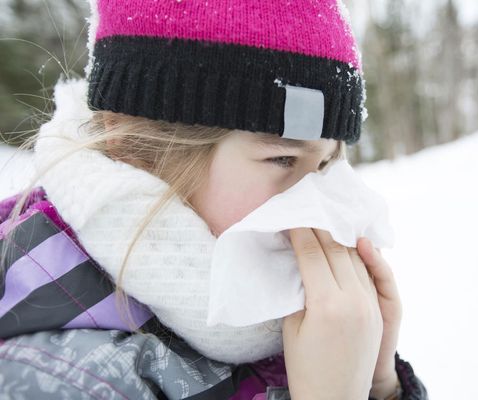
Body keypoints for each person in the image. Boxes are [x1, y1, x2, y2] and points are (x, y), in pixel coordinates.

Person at [0, 1, 428, 399]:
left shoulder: (268, 319)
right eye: (282, 158)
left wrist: (377, 382)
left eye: (325, 166)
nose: (316, 205)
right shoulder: (61, 379)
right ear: (143, 151)